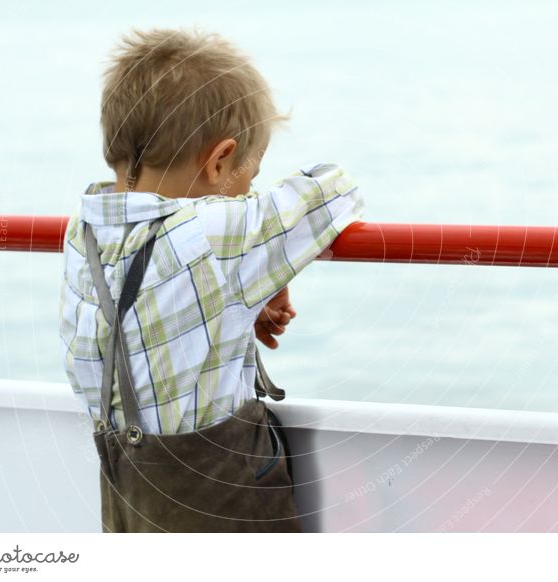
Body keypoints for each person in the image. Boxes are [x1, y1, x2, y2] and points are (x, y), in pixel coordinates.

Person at [57, 27, 365, 532]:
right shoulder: (216, 233)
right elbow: (335, 189)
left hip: (131, 499)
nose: (251, 190)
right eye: (250, 173)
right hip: (222, 500)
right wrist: (269, 260)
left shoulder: (85, 231)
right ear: (220, 160)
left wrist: (254, 282)